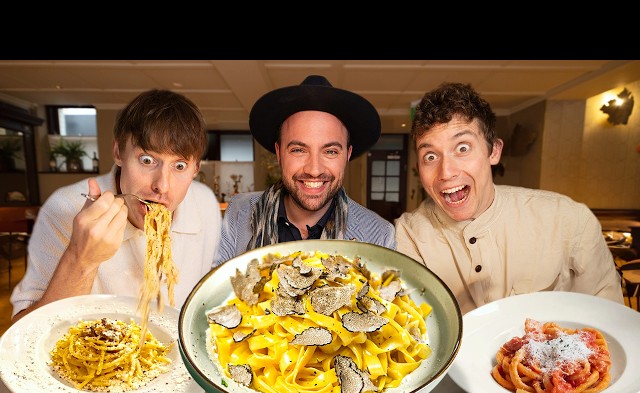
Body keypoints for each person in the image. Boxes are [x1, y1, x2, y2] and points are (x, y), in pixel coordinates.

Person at [395, 82, 623, 315]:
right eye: (430, 156)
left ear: (493, 151)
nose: (446, 172)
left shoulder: (569, 219)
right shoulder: (409, 235)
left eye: (462, 148)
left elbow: (607, 318)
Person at [11, 89, 221, 322]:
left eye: (179, 166)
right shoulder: (65, 209)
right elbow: (22, 332)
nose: (161, 186)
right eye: (147, 160)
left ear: (196, 170)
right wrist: (81, 259)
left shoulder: (205, 205)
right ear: (118, 152)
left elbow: (209, 294)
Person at [213, 75, 395, 266]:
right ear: (279, 153)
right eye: (299, 150)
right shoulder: (238, 212)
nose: (314, 170)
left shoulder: (380, 235)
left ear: (347, 155)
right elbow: (213, 291)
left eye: (330, 151)